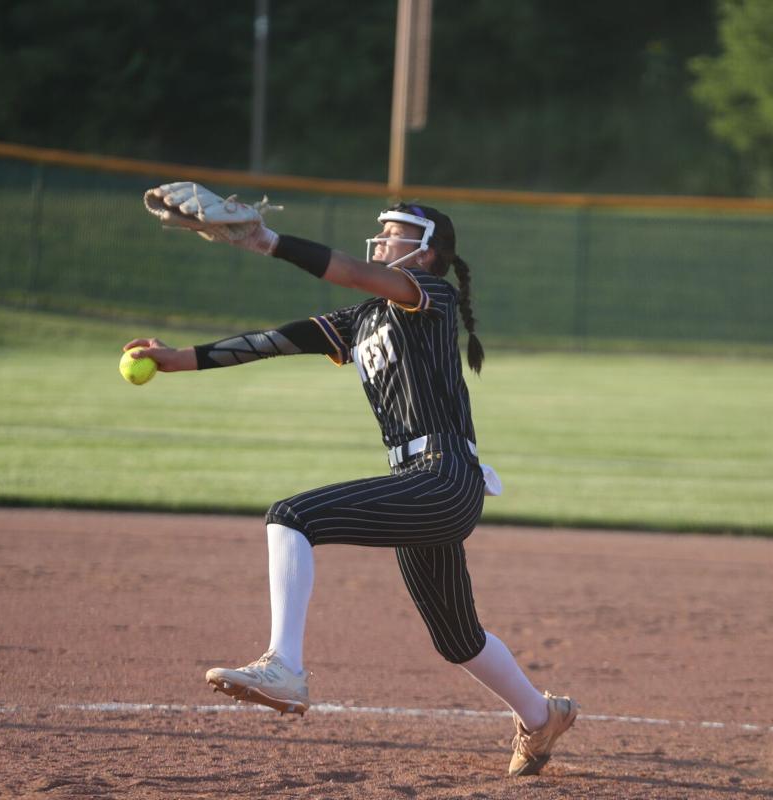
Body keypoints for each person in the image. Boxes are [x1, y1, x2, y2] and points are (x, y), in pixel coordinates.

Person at [124, 199, 577, 777]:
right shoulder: (362, 320)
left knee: (291, 515)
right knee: (456, 636)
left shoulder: (429, 296)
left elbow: (356, 272)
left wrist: (267, 241)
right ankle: (543, 719)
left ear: (428, 252)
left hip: (444, 476)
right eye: (382, 231)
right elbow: (273, 340)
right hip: (416, 482)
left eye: (396, 233)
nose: (382, 239)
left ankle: (283, 665)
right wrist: (177, 360)